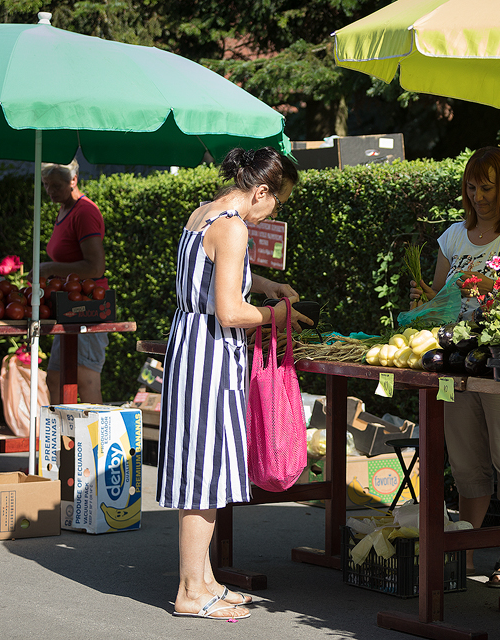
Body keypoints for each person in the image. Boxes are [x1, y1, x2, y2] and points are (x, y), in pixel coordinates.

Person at [157, 146, 312, 620]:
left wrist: (264, 285)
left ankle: (204, 581)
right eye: (277, 202)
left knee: (205, 469)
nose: (274, 212)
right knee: (204, 476)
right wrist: (275, 313)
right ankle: (190, 591)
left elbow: (213, 276)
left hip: (189, 344)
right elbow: (229, 310)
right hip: (210, 354)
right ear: (261, 191)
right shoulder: (235, 226)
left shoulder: (203, 213)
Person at [410, 147, 500, 588]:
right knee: (467, 458)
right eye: (471, 188)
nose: (478, 197)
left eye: (487, 188)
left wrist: (493, 285)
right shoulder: (452, 237)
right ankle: (467, 547)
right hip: (455, 363)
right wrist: (422, 305)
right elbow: (436, 298)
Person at [40, 160, 108, 404]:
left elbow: (95, 267)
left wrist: (48, 268)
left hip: (88, 306)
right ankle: (62, 440)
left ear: (74, 181)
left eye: (56, 185)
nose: (50, 191)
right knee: (55, 378)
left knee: (87, 382)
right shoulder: (64, 209)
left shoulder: (85, 212)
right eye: (46, 185)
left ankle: (98, 441)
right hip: (69, 308)